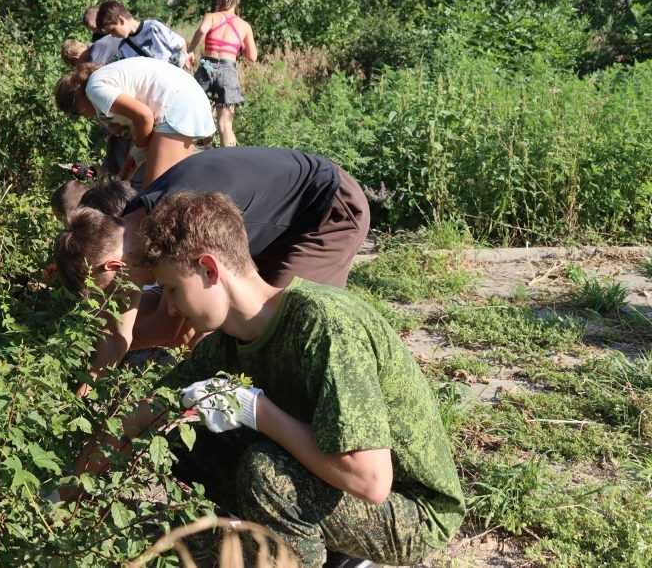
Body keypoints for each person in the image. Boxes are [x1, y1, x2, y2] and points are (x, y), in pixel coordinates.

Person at [62, 191, 465, 567]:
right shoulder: (227, 343)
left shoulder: (324, 325)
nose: (169, 308)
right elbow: (144, 415)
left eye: (171, 289)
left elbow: (371, 480)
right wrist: (64, 494)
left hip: (409, 510)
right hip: (334, 482)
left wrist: (258, 412)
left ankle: (336, 556)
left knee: (266, 472)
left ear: (208, 269)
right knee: (177, 430)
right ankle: (294, 539)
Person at [53, 146, 370, 377]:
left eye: (103, 292)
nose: (109, 300)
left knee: (282, 332)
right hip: (266, 220)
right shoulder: (132, 226)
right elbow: (118, 337)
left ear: (114, 267)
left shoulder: (176, 228)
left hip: (325, 210)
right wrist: (82, 394)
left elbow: (179, 327)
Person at [54, 58, 215, 188]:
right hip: (187, 98)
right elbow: (139, 135)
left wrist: (139, 150)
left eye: (76, 113)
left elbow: (145, 117)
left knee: (153, 198)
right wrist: (122, 178)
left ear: (75, 100)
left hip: (176, 104)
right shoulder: (105, 79)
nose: (83, 117)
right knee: (174, 188)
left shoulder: (93, 89)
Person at [187, 0, 258, 147]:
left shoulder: (211, 17)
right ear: (238, 1)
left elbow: (202, 31)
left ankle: (199, 152)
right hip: (228, 70)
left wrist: (190, 50)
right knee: (225, 124)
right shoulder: (244, 26)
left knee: (197, 116)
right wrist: (240, 46)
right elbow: (252, 57)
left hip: (206, 67)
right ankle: (228, 163)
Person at [96, 0, 191, 67]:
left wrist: (178, 64)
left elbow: (181, 45)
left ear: (121, 20)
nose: (112, 35)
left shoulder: (153, 27)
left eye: (112, 30)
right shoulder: (123, 48)